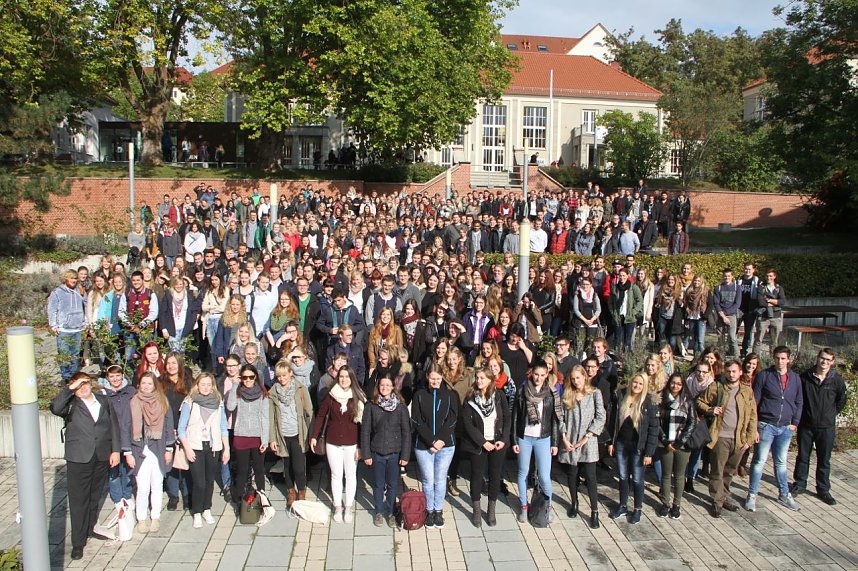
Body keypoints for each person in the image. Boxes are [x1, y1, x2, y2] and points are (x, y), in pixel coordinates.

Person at [50, 371, 121, 561]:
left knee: (94, 496)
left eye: (85, 384)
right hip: (79, 457)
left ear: (91, 384)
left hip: (101, 455)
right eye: (78, 385)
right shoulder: (71, 404)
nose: (82, 388)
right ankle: (78, 542)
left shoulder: (103, 401)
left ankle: (90, 527)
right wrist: (71, 388)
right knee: (78, 500)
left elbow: (114, 426)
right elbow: (55, 408)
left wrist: (115, 450)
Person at [745, 346, 803, 512]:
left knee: (781, 462)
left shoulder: (795, 378)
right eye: (777, 358)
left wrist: (795, 422)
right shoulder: (764, 376)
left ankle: (784, 494)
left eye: (783, 358)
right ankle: (752, 495)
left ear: (789, 359)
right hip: (766, 426)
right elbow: (754, 402)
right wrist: (754, 427)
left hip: (785, 428)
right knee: (759, 461)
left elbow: (799, 401)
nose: (780, 361)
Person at [697, 359, 757, 517]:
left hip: (739, 439)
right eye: (728, 371)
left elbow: (752, 416)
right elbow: (700, 402)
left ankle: (723, 496)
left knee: (730, 471)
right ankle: (717, 501)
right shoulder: (717, 387)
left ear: (740, 372)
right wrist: (711, 410)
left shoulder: (746, 391)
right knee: (717, 470)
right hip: (721, 437)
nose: (731, 374)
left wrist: (749, 439)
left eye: (734, 371)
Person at [311, 366, 366, 523]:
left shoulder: (358, 396)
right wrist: (314, 436)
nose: (344, 379)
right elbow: (321, 416)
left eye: (347, 377)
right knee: (336, 475)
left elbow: (362, 425)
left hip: (352, 443)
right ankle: (337, 507)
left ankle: (348, 507)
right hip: (333, 441)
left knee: (350, 475)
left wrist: (361, 446)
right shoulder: (331, 395)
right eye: (341, 376)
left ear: (352, 379)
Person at [792, 348, 847, 505]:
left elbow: (841, 399)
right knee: (803, 457)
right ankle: (799, 484)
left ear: (832, 362)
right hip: (806, 425)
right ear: (817, 358)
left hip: (826, 427)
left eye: (828, 360)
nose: (824, 362)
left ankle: (823, 489)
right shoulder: (805, 377)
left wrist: (831, 414)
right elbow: (798, 399)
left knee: (824, 459)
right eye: (822, 358)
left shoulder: (836, 380)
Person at [460, 367, 511, 528]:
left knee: (495, 477)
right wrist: (482, 442)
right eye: (477, 377)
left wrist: (503, 439)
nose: (479, 381)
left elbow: (507, 418)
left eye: (482, 378)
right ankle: (476, 510)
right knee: (476, 477)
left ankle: (491, 510)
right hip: (478, 444)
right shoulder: (470, 398)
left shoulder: (499, 396)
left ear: (490, 380)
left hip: (497, 443)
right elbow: (467, 423)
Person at [178, 372, 230, 527]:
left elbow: (223, 427)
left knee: (209, 481)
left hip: (213, 446)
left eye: (209, 384)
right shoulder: (189, 402)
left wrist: (226, 448)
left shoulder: (218, 402)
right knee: (199, 483)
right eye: (203, 384)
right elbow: (181, 429)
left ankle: (207, 508)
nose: (206, 387)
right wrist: (187, 449)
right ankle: (197, 511)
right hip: (195, 446)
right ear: (197, 385)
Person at [411, 366, 460, 529]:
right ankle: (429, 510)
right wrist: (431, 441)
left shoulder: (451, 395)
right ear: (427, 377)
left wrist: (440, 441)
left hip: (446, 446)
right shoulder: (419, 395)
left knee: (440, 479)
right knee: (428, 480)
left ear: (442, 377)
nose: (435, 381)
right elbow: (416, 419)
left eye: (438, 378)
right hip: (423, 445)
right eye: (432, 378)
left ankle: (438, 510)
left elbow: (453, 420)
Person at [511, 361, 559, 524]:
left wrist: (555, 442)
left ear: (547, 375)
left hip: (543, 438)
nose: (538, 378)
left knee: (544, 476)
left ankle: (547, 507)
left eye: (542, 375)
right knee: (523, 472)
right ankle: (524, 506)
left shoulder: (551, 393)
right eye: (536, 374)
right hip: (525, 437)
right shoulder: (522, 390)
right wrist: (514, 439)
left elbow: (554, 419)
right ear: (531, 373)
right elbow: (516, 416)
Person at [558, 365, 605, 529]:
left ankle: (594, 511)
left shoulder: (595, 394)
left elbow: (601, 417)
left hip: (588, 440)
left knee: (591, 476)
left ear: (585, 377)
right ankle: (574, 502)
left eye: (578, 378)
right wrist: (564, 437)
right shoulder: (567, 395)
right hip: (571, 440)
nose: (576, 381)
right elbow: (561, 418)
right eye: (573, 379)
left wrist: (588, 436)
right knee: (572, 474)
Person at [608, 373, 659, 525]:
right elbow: (613, 421)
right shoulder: (621, 396)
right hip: (621, 444)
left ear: (645, 386)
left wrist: (649, 453)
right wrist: (611, 442)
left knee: (637, 479)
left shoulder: (648, 403)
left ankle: (637, 509)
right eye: (635, 382)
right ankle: (623, 505)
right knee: (623, 476)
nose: (637, 386)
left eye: (640, 384)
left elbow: (653, 429)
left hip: (638, 447)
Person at [361, 376, 411, 527]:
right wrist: (366, 454)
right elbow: (365, 431)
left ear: (393, 387)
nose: (385, 388)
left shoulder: (401, 407)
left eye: (388, 385)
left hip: (395, 453)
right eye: (382, 385)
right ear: (378, 386)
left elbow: (406, 432)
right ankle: (378, 512)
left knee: (392, 485)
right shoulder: (371, 405)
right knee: (378, 484)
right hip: (377, 452)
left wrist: (405, 455)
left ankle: (390, 512)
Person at [128, 372, 175, 533]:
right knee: (142, 487)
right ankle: (141, 518)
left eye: (150, 383)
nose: (146, 386)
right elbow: (127, 426)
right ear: (139, 384)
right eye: (144, 383)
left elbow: (169, 426)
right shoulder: (133, 401)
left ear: (155, 385)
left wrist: (169, 449)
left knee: (157, 485)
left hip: (158, 448)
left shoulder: (162, 401)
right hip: (139, 449)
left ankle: (155, 516)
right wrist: (128, 452)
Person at [269, 360, 314, 508]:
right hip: (282, 435)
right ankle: (291, 492)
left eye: (284, 375)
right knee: (287, 467)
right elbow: (271, 417)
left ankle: (301, 491)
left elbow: (309, 411)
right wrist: (272, 439)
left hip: (298, 434)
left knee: (299, 467)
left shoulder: (300, 389)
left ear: (290, 373)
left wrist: (311, 434)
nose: (281, 379)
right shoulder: (273, 393)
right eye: (279, 376)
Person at [226, 364, 270, 511]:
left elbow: (265, 418)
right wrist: (234, 385)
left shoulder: (262, 394)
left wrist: (265, 440)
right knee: (242, 470)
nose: (248, 380)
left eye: (251, 377)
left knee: (259, 470)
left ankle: (262, 500)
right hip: (241, 436)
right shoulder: (238, 392)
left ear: (255, 377)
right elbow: (230, 407)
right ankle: (240, 501)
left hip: (257, 436)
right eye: (245, 377)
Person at [656, 373, 697, 520]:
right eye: (673, 383)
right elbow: (656, 422)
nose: (675, 386)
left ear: (683, 385)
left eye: (679, 384)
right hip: (665, 443)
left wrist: (680, 442)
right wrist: (665, 441)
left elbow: (692, 423)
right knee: (666, 475)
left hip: (682, 445)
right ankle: (665, 503)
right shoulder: (660, 399)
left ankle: (677, 505)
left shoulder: (688, 401)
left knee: (679, 476)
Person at [98, 365, 135, 510]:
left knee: (127, 469)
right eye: (112, 376)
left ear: (122, 376)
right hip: (112, 437)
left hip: (128, 435)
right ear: (107, 378)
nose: (115, 379)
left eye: (117, 375)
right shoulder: (102, 394)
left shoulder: (131, 391)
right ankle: (117, 498)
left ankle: (127, 495)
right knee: (113, 470)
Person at [48, 269, 87, 382]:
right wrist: (53, 325)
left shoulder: (80, 290)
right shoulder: (57, 292)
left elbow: (86, 305)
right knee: (64, 355)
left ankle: (74, 377)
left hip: (78, 329)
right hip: (64, 330)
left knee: (75, 355)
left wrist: (85, 321)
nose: (73, 280)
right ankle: (66, 378)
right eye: (71, 278)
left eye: (75, 278)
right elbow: (52, 309)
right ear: (65, 279)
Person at [607, 268, 642, 352]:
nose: (622, 277)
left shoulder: (633, 287)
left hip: (629, 317)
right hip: (618, 317)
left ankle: (626, 357)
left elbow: (639, 300)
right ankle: (618, 356)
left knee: (627, 341)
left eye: (624, 275)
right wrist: (613, 312)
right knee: (618, 340)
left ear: (627, 276)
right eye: (620, 275)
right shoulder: (615, 287)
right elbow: (610, 301)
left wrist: (633, 311)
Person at [753, 269, 786, 354]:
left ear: (774, 276)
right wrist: (775, 302)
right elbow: (760, 302)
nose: (768, 278)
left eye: (771, 276)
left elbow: (782, 301)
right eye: (767, 276)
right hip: (763, 317)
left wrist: (769, 300)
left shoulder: (779, 288)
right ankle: (755, 357)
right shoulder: (761, 288)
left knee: (774, 341)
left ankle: (773, 358)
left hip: (776, 317)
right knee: (758, 340)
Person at [713, 268, 741, 357]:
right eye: (725, 276)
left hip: (732, 315)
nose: (727, 278)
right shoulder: (718, 288)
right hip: (721, 315)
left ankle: (736, 356)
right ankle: (720, 355)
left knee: (732, 337)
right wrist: (722, 315)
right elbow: (716, 303)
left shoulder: (737, 288)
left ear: (732, 276)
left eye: (729, 276)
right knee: (720, 337)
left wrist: (727, 314)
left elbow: (737, 304)